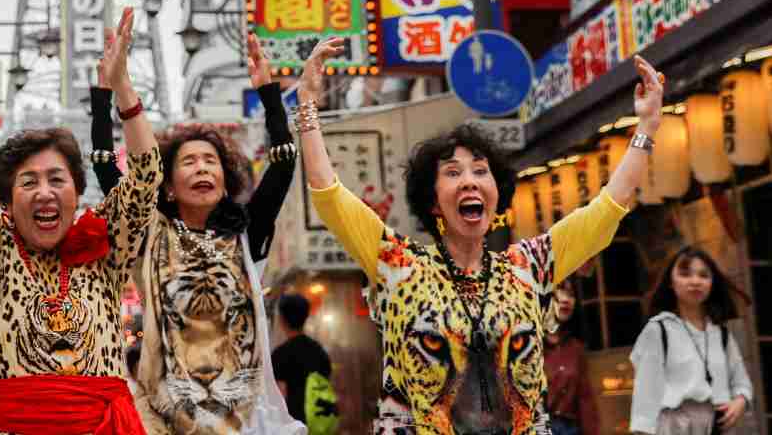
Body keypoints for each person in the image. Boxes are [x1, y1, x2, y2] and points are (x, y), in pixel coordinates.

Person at [300, 38, 663, 435]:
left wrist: (646, 126)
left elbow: (610, 205)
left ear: (496, 193)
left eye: (480, 171)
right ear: (433, 202)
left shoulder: (530, 267)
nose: (470, 181)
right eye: (453, 173)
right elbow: (329, 194)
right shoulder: (399, 266)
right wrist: (307, 108)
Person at [0, 8, 162, 435]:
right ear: (6, 198)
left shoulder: (104, 245)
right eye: (28, 182)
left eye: (57, 180)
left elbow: (147, 175)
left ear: (76, 193)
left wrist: (123, 89)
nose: (44, 192)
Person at [90, 31, 302, 435]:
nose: (202, 168)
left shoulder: (247, 233)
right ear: (168, 184)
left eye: (211, 161)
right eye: (189, 162)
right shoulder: (149, 234)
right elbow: (105, 169)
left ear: (226, 179)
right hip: (164, 417)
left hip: (241, 415)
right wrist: (106, 97)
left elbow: (284, 163)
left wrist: (269, 96)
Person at [629, 246, 753, 435]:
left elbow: (742, 382)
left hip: (718, 426)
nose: (695, 281)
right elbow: (645, 398)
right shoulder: (658, 330)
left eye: (704, 275)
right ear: (671, 282)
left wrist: (741, 401)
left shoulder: (721, 335)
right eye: (685, 274)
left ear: (712, 283)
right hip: (675, 426)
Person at [270, 294, 335, 433]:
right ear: (305, 317)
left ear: (282, 320)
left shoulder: (280, 354)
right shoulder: (319, 351)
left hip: (294, 426)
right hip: (319, 424)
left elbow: (279, 396)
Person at [544, 279, 599, 435]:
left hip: (571, 429)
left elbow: (585, 400)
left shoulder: (576, 349)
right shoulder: (527, 344)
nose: (566, 299)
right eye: (560, 291)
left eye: (571, 294)